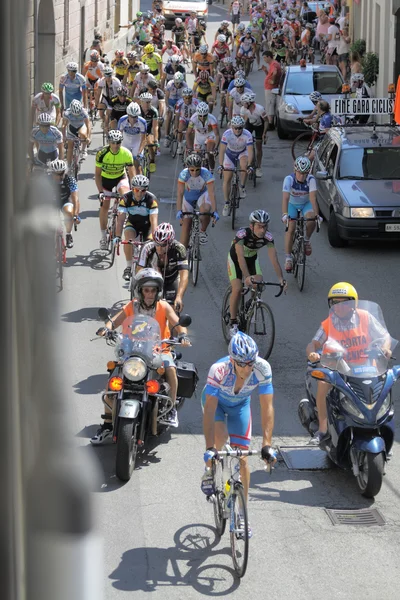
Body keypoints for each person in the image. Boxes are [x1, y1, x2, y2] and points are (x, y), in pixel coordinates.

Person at [90, 267, 191, 443]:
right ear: (140, 290)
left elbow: (178, 323)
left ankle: (171, 407)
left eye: (153, 290)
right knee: (113, 382)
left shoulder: (164, 306)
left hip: (159, 349)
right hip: (132, 351)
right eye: (146, 290)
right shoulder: (132, 306)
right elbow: (116, 319)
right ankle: (107, 425)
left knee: (171, 370)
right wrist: (107, 328)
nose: (150, 293)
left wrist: (182, 335)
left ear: (158, 291)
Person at [201, 331, 277, 535]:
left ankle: (243, 514)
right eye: (242, 364)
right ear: (232, 360)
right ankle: (209, 471)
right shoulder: (219, 370)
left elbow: (267, 407)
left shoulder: (262, 368)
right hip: (216, 405)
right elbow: (209, 411)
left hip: (240, 407)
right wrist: (209, 448)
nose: (247, 368)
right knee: (220, 437)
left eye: (250, 363)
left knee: (243, 458)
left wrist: (266, 444)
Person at [305, 282, 392, 445]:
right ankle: (323, 429)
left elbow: (384, 336)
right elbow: (314, 342)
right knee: (323, 384)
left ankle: (383, 428)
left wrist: (385, 349)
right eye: (335, 303)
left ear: (353, 304)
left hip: (366, 367)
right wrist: (312, 352)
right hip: (339, 368)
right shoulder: (328, 323)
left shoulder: (365, 317)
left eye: (344, 303)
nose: (339, 307)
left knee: (382, 389)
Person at [227, 211, 286, 336]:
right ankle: (233, 322)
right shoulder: (242, 235)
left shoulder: (268, 238)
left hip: (252, 259)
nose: (263, 230)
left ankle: (250, 304)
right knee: (237, 288)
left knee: (259, 283)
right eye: (259, 226)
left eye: (265, 226)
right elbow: (241, 258)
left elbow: (274, 258)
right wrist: (247, 277)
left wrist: (281, 279)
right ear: (252, 226)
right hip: (236, 259)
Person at [95, 130, 135, 250]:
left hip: (120, 178)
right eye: (113, 143)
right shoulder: (102, 153)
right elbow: (97, 175)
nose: (115, 145)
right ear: (109, 142)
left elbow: (132, 174)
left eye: (118, 142)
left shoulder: (126, 153)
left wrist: (133, 191)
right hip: (106, 180)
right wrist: (101, 192)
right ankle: (103, 236)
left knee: (126, 195)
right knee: (105, 207)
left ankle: (123, 213)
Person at [114, 174, 159, 281]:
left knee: (150, 246)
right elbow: (120, 221)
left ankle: (148, 266)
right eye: (136, 189)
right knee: (128, 240)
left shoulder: (151, 200)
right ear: (132, 188)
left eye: (143, 190)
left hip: (146, 226)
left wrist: (155, 239)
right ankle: (129, 267)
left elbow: (154, 222)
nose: (139, 193)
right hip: (132, 223)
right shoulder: (125, 199)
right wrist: (117, 236)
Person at [137, 222, 189, 313]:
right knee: (145, 307)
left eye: (163, 245)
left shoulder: (179, 249)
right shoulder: (147, 248)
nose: (160, 249)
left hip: (171, 279)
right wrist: (139, 294)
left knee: (173, 310)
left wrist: (179, 297)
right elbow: (139, 271)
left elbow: (184, 275)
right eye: (157, 244)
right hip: (152, 279)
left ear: (171, 242)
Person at [281, 156, 320, 272]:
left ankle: (306, 240)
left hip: (305, 204)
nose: (302, 176)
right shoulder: (289, 179)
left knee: (312, 218)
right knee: (291, 228)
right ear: (295, 171)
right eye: (299, 173)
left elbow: (313, 198)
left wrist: (317, 215)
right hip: (292, 204)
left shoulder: (311, 180)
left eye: (304, 173)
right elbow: (285, 198)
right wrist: (284, 214)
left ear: (308, 172)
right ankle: (288, 258)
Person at [176, 153, 219, 247]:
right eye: (192, 170)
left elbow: (211, 193)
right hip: (188, 198)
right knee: (186, 227)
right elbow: (180, 193)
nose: (195, 173)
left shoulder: (206, 173)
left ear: (201, 167)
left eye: (197, 170)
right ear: (188, 168)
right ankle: (183, 256)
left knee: (205, 210)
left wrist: (215, 211)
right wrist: (179, 210)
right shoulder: (183, 174)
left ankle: (202, 231)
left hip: (202, 195)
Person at [219, 115, 253, 213]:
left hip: (242, 152)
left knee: (244, 166)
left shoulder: (247, 135)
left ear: (243, 127)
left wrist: (250, 165)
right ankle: (226, 203)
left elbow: (250, 152)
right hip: (230, 154)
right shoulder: (227, 134)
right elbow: (221, 151)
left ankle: (242, 186)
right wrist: (221, 165)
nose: (238, 130)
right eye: (235, 128)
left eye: (240, 128)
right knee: (227, 178)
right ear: (232, 127)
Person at [48, 159, 80, 249]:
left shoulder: (70, 179)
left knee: (69, 213)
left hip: (65, 200)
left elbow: (75, 199)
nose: (59, 176)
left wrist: (76, 215)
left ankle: (69, 235)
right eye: (56, 174)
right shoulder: (47, 179)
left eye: (61, 173)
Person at [186, 102, 220, 172]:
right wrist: (189, 147)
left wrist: (216, 148)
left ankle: (211, 170)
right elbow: (188, 133)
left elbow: (217, 135)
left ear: (207, 113)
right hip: (199, 135)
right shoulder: (193, 119)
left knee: (210, 152)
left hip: (210, 134)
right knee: (197, 155)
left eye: (204, 116)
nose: (202, 118)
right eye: (200, 116)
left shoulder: (212, 119)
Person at [240, 92, 268, 179]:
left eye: (244, 102)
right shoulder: (243, 109)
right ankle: (249, 162)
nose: (243, 104)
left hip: (260, 125)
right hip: (250, 124)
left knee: (259, 145)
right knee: (247, 143)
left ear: (249, 103)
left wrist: (264, 133)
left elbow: (267, 121)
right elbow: (242, 122)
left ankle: (259, 167)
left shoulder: (260, 109)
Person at [118, 101, 147, 175]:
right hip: (125, 142)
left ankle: (138, 184)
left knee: (137, 165)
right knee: (122, 164)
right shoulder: (122, 120)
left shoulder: (142, 122)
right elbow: (118, 136)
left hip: (136, 143)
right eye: (131, 116)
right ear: (128, 114)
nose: (134, 119)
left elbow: (143, 139)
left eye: (136, 116)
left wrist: (139, 152)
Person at [62, 99, 91, 165]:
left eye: (78, 114)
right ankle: (69, 166)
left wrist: (88, 137)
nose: (76, 116)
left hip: (81, 127)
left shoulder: (84, 112)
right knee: (70, 148)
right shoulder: (67, 113)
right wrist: (64, 137)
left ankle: (83, 150)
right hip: (72, 128)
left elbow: (88, 125)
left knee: (82, 133)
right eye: (74, 115)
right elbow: (64, 125)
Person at [164, 72, 188, 147]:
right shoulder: (170, 84)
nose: (178, 85)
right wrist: (167, 107)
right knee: (169, 115)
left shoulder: (185, 85)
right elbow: (166, 97)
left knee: (182, 116)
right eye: (177, 83)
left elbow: (186, 98)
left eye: (180, 83)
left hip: (180, 101)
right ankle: (166, 136)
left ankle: (178, 131)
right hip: (171, 101)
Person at [260, 51, 282, 130]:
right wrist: (266, 71)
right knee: (271, 104)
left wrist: (272, 81)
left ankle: (270, 123)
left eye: (265, 57)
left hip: (270, 88)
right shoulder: (272, 64)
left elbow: (275, 73)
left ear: (269, 57)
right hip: (270, 87)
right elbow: (271, 74)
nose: (264, 59)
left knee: (270, 105)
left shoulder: (274, 64)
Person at [139, 92, 159, 173]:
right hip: (139, 131)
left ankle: (152, 161)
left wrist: (156, 139)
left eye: (149, 102)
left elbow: (155, 127)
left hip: (148, 130)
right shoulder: (137, 110)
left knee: (150, 143)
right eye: (146, 102)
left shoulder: (153, 111)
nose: (148, 104)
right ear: (141, 102)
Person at [175, 88, 199, 154]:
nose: (187, 99)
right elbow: (177, 116)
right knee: (180, 129)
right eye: (185, 98)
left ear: (192, 97)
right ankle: (179, 145)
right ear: (183, 97)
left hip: (193, 120)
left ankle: (192, 146)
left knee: (194, 133)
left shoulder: (196, 103)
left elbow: (199, 116)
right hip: (184, 119)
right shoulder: (179, 103)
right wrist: (176, 127)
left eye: (189, 98)